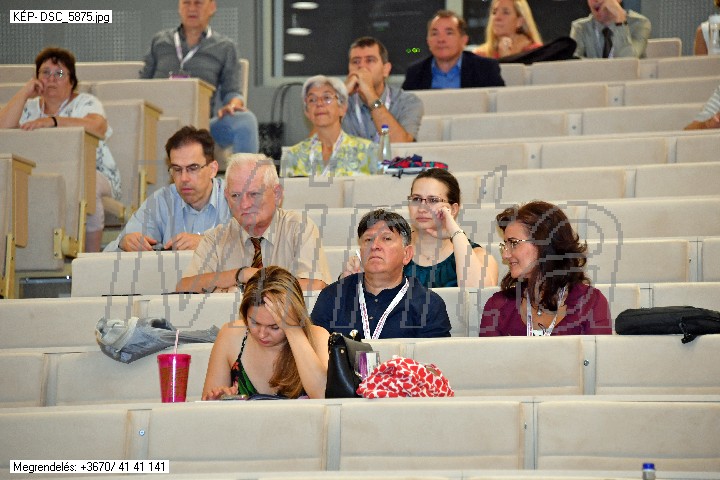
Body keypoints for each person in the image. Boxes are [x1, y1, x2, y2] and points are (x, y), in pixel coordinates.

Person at [0, 46, 122, 253]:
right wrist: (24, 92)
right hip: (41, 174)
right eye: (45, 73)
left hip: (95, 173)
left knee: (87, 186)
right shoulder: (28, 107)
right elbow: (2, 129)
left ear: (72, 81)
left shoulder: (86, 102)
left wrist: (53, 121)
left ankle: (91, 259)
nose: (51, 79)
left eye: (59, 73)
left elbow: (98, 127)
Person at [176, 153, 331, 293]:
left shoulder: (299, 228)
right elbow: (184, 287)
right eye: (235, 195)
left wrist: (250, 285)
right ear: (226, 197)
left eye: (254, 194)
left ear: (277, 194)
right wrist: (240, 274)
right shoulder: (216, 238)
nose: (244, 205)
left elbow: (315, 286)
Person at [341, 169, 499, 289]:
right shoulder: (387, 251)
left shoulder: (479, 256)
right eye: (416, 199)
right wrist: (351, 277)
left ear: (453, 209)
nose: (422, 208)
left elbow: (478, 300)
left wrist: (455, 232)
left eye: (433, 200)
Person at [140, 0, 258, 155]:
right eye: (186, 3)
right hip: (157, 122)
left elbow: (232, 92)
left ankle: (245, 171)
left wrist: (233, 104)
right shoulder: (160, 42)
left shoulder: (225, 47)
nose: (191, 8)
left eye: (198, 3)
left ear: (212, 7)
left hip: (202, 127)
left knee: (245, 121)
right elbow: (141, 85)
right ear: (179, 7)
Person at [312, 209, 451, 339]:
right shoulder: (333, 296)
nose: (374, 246)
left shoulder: (428, 304)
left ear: (407, 254)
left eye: (386, 239)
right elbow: (315, 350)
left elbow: (434, 356)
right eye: (368, 240)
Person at [480, 201, 611, 336]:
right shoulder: (497, 306)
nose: (505, 255)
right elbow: (488, 351)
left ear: (544, 243)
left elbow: (598, 350)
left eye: (513, 243)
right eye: (505, 245)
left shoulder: (590, 302)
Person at [202, 266, 330, 399]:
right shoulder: (230, 335)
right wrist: (217, 399)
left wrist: (293, 330)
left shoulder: (317, 337)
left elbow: (324, 396)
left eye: (274, 327)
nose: (262, 334)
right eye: (254, 323)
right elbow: (206, 406)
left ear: (296, 317)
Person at [104, 126, 231, 251]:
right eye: (177, 169)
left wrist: (208, 243)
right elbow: (107, 254)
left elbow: (243, 245)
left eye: (193, 168)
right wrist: (123, 243)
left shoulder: (234, 197)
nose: (184, 178)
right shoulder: (162, 201)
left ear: (213, 169)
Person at [281, 75, 377, 177]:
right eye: (312, 100)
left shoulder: (368, 151)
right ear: (307, 112)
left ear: (342, 108)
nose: (319, 103)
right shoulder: (293, 156)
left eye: (327, 98)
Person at [343, 37, 423, 143]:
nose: (362, 67)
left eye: (370, 60)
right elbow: (320, 143)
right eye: (355, 62)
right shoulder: (341, 101)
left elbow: (401, 145)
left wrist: (370, 95)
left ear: (386, 70)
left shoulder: (408, 102)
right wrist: (341, 94)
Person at [402, 10, 505, 91]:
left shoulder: (485, 69)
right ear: (428, 41)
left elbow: (500, 108)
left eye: (449, 33)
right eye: (434, 34)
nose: (441, 39)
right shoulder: (415, 73)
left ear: (463, 40)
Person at [570, 0, 651, 59]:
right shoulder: (580, 27)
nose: (595, 1)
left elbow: (627, 61)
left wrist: (620, 20)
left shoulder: (639, 23)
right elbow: (573, 64)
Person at [473, 0, 543, 59]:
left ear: (520, 21)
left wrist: (506, 58)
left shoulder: (536, 53)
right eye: (494, 12)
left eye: (505, 13)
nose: (497, 17)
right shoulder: (480, 55)